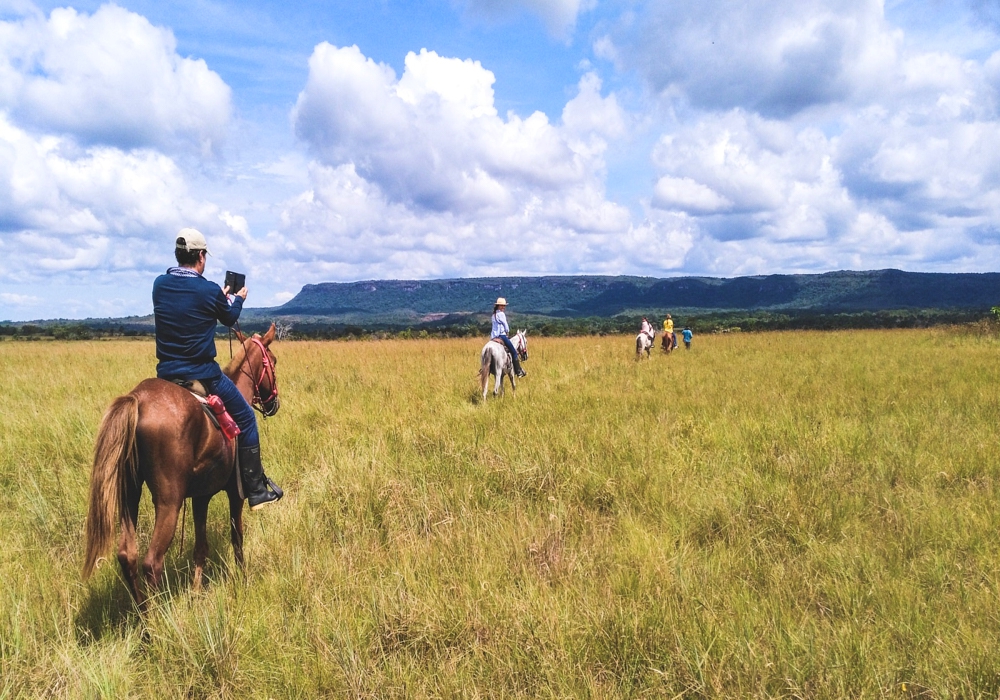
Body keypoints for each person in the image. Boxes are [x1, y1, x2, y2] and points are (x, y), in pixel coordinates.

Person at [152, 228, 282, 510]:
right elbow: (229, 318)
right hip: (203, 374)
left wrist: (216, 297)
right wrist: (237, 298)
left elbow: (187, 305)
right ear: (201, 256)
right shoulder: (207, 290)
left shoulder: (159, 285)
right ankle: (257, 490)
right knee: (247, 420)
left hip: (165, 375)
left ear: (177, 255)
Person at [491, 297, 526, 377]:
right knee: (514, 352)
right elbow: (505, 325)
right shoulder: (502, 314)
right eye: (502, 306)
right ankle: (518, 371)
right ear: (498, 306)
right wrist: (507, 331)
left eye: (504, 306)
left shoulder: (493, 315)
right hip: (502, 336)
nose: (503, 307)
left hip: (493, 337)